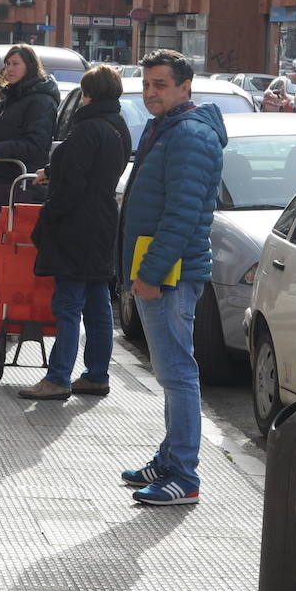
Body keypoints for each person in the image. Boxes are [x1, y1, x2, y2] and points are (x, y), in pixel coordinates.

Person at [118, 49, 226, 507]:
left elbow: (180, 216)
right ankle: (168, 460)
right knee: (170, 372)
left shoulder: (189, 135)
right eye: (146, 85)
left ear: (185, 87)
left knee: (178, 373)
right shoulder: (166, 127)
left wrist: (150, 274)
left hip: (169, 276)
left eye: (160, 85)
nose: (150, 93)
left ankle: (183, 474)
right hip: (160, 271)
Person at [17, 65, 132, 401]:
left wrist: (48, 216)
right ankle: (96, 374)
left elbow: (72, 183)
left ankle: (58, 377)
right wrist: (51, 170)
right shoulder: (118, 126)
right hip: (103, 222)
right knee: (97, 304)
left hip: (76, 226)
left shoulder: (86, 128)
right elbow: (92, 169)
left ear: (88, 94)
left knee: (67, 305)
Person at [0, 44, 60, 185]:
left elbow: (36, 144)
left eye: (16, 64)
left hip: (21, 182)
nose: (10, 69)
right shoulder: (13, 97)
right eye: (7, 64)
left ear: (29, 66)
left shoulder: (41, 101)